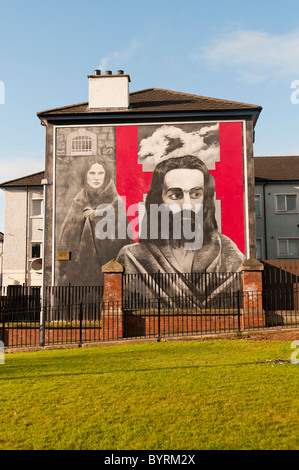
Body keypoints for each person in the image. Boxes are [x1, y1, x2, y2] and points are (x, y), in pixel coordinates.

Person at [117, 155, 245, 306]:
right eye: (176, 195)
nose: (187, 205)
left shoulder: (230, 256)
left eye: (195, 194)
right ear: (159, 201)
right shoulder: (133, 258)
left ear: (206, 201)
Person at [57, 159, 133, 285]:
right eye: (92, 173)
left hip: (109, 266)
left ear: (106, 175)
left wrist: (95, 215)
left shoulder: (115, 200)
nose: (96, 177)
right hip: (80, 268)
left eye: (100, 173)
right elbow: (67, 235)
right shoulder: (78, 201)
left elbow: (122, 234)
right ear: (85, 175)